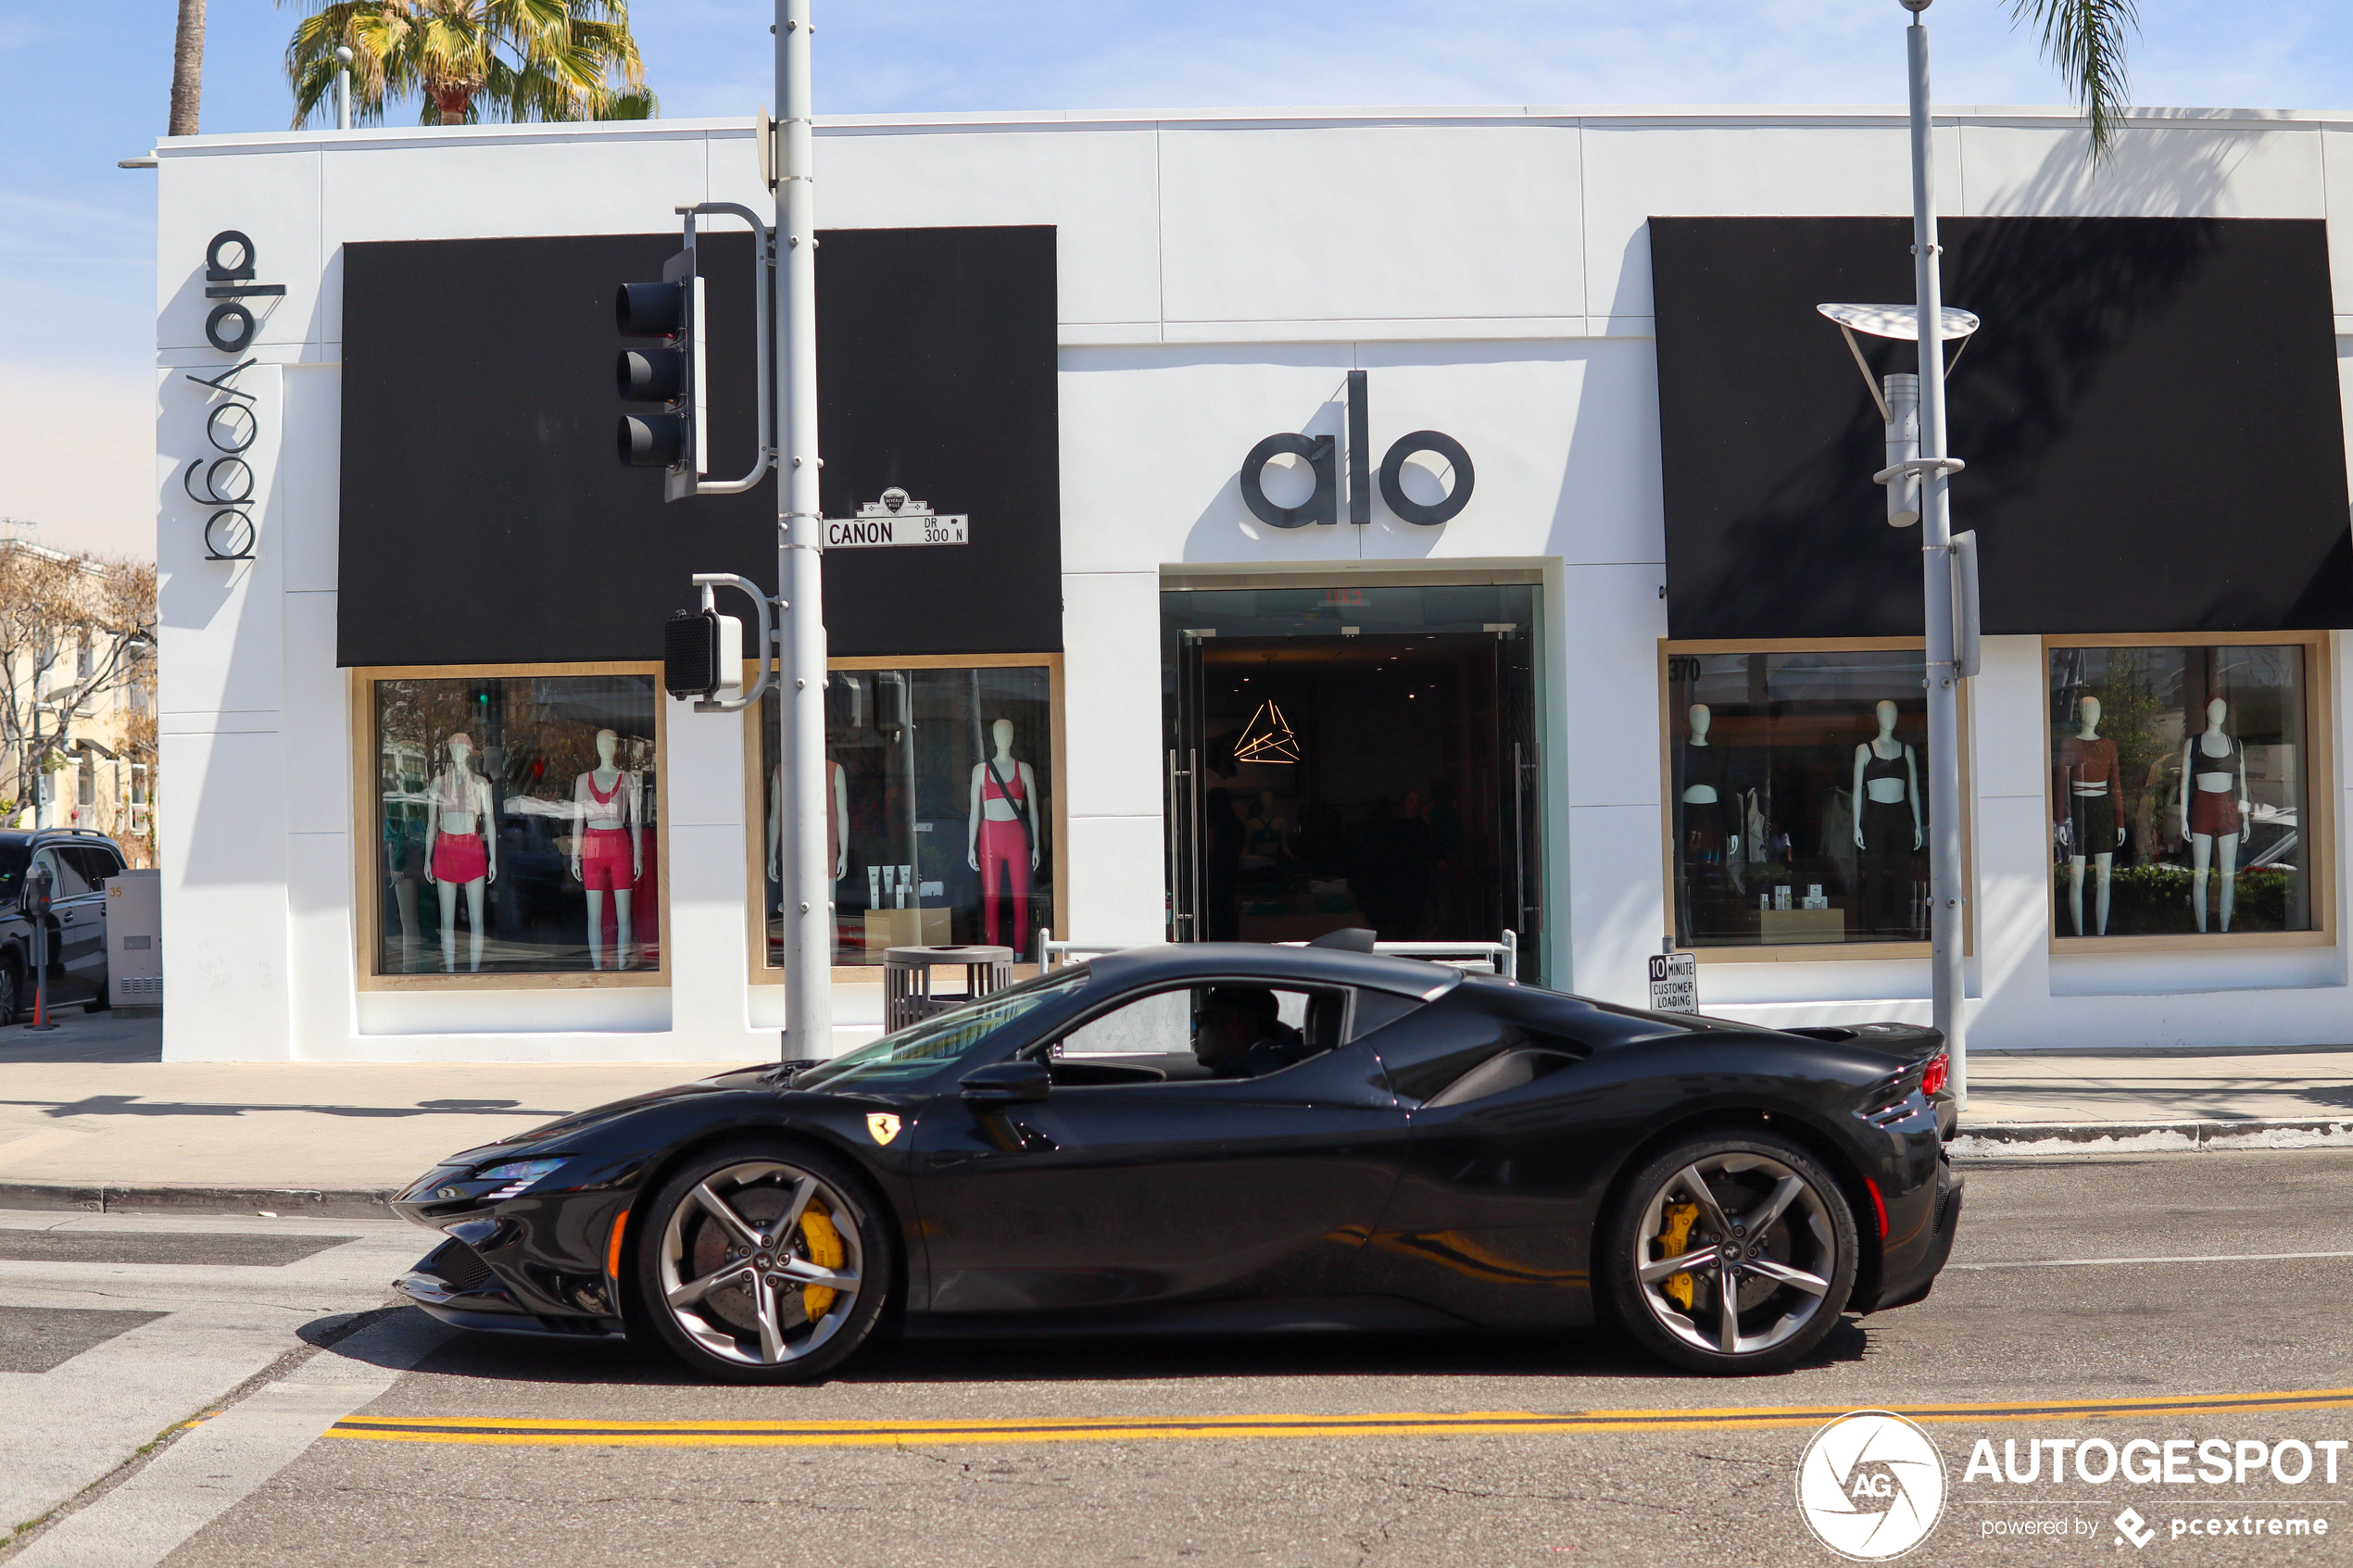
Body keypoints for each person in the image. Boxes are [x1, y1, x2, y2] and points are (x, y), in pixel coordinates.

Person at [1191, 985, 1307, 1079]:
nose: (1195, 1033)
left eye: (1200, 1020)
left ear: (1231, 1020)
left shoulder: (1242, 1075)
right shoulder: (1289, 1064)